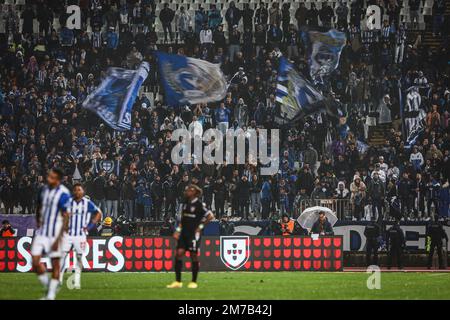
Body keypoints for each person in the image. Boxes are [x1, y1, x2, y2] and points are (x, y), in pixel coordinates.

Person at [30, 168, 71, 300]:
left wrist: (58, 238)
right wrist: (38, 221)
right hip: (42, 232)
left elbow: (66, 216)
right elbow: (39, 206)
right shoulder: (43, 190)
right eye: (49, 176)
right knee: (35, 261)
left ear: (58, 180)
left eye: (52, 177)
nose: (48, 179)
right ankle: (49, 285)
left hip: (55, 233)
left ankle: (51, 295)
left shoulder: (64, 194)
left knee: (55, 264)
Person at [167, 185, 214, 289]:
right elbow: (182, 220)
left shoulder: (199, 204)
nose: (187, 191)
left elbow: (210, 216)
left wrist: (200, 226)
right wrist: (177, 231)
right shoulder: (185, 204)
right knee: (179, 253)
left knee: (193, 255)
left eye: (189, 190)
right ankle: (178, 281)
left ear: (195, 192)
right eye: (187, 190)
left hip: (194, 234)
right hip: (184, 233)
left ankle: (193, 281)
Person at [59, 183, 102, 288]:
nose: (77, 191)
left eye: (79, 190)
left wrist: (90, 226)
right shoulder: (68, 202)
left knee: (79, 258)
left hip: (81, 235)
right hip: (68, 234)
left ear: (83, 192)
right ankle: (59, 279)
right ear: (73, 192)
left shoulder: (88, 203)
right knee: (62, 257)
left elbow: (98, 213)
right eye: (76, 190)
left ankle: (77, 281)